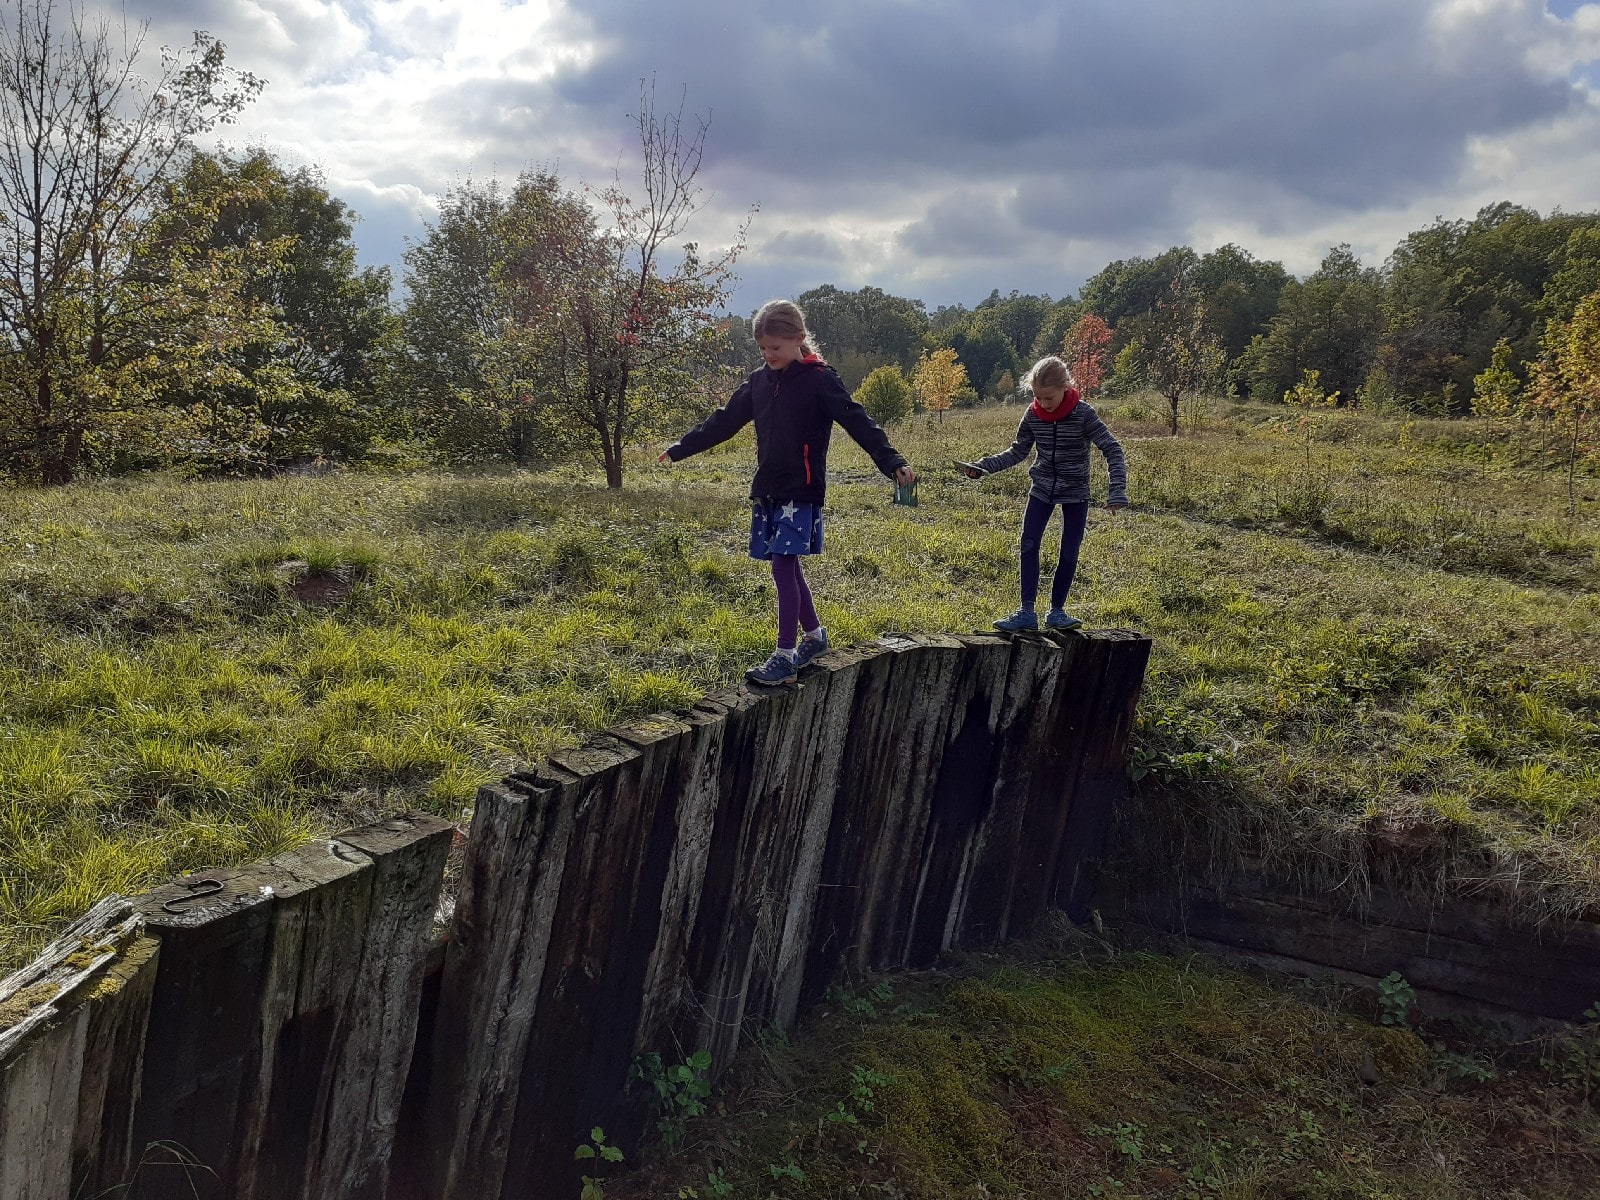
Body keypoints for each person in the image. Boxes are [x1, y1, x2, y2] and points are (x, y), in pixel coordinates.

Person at [659, 299, 916, 685]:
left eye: (775, 348)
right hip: (769, 490)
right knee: (788, 565)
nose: (768, 355)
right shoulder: (759, 382)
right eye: (763, 348)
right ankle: (814, 636)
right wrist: (681, 448)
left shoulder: (820, 379)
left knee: (782, 565)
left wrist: (891, 460)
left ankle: (785, 654)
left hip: (802, 489)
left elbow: (857, 419)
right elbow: (724, 422)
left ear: (798, 339)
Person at [962, 355, 1127, 631]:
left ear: (1066, 387)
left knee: (1069, 551)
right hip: (1041, 489)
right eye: (1037, 397)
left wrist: (1117, 489)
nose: (1043, 404)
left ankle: (1057, 613)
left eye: (1048, 398)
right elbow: (1017, 451)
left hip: (1076, 492)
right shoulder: (1033, 414)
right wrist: (982, 467)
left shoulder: (1083, 414)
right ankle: (1026, 612)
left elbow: (1112, 448)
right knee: (1028, 544)